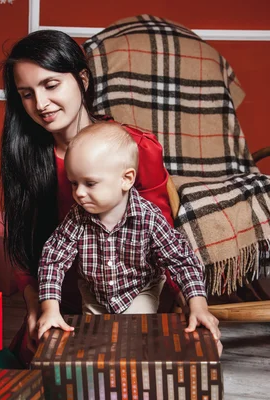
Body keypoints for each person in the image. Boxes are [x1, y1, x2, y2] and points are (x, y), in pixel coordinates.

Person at [0, 29, 176, 364]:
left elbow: (166, 241)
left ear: (82, 79)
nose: (41, 104)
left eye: (51, 85)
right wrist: (36, 308)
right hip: (60, 306)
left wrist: (190, 314)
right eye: (27, 94)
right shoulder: (25, 157)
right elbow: (24, 245)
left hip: (134, 303)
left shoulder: (137, 148)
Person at [35, 123, 221, 350]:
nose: (79, 193)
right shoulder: (77, 218)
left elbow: (181, 259)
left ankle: (137, 374)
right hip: (95, 293)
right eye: (74, 183)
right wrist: (50, 308)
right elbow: (53, 257)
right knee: (95, 343)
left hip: (138, 289)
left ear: (126, 179)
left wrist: (198, 304)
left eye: (90, 183)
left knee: (132, 338)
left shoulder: (148, 217)